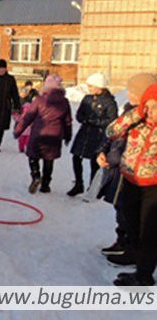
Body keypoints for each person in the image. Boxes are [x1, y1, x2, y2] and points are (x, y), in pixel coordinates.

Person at [100, 73, 157, 266]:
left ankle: (143, 274)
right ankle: (132, 254)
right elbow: (111, 131)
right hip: (130, 176)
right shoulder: (132, 114)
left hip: (152, 183)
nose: (129, 94)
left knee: (147, 230)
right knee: (130, 222)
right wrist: (137, 113)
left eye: (134, 92)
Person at [14, 74, 72, 194]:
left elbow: (28, 117)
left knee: (33, 156)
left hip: (39, 133)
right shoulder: (65, 102)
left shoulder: (39, 100)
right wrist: (68, 136)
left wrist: (18, 130)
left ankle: (35, 175)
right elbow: (67, 121)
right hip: (55, 135)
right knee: (49, 160)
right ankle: (45, 185)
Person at [67, 73, 118, 196]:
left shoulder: (109, 102)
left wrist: (96, 122)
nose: (89, 88)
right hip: (84, 132)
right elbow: (79, 114)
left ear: (99, 86)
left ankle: (93, 187)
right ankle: (79, 183)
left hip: (98, 135)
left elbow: (112, 121)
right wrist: (84, 119)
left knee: (94, 161)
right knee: (76, 157)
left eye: (91, 86)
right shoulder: (87, 98)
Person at [14, 86, 39, 153]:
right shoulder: (24, 105)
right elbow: (18, 116)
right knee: (22, 139)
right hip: (23, 127)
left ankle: (27, 147)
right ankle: (21, 148)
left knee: (28, 139)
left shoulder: (34, 107)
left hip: (30, 127)